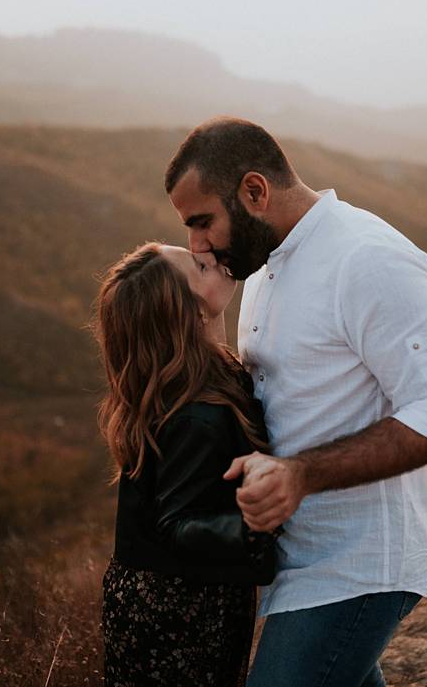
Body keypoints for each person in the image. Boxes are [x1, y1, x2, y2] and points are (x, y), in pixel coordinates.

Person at [164, 118, 427, 687]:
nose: (197, 245)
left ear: (254, 192)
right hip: (294, 564)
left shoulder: (368, 257)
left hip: (358, 565)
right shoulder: (260, 273)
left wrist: (300, 477)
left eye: (202, 221)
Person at [94, 241, 278, 687]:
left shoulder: (194, 383)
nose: (211, 254)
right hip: (176, 606)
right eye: (199, 265)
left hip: (169, 591)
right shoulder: (196, 413)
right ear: (189, 313)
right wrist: (252, 528)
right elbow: (176, 521)